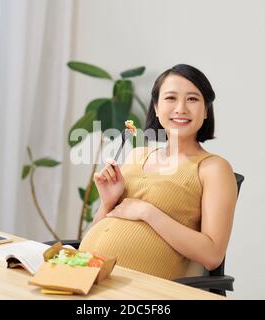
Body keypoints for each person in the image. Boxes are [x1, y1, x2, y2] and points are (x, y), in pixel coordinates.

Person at [79, 64, 238, 280]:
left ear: (206, 110)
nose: (181, 108)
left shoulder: (213, 168)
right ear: (155, 107)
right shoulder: (137, 155)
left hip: (135, 290)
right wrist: (108, 202)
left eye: (192, 99)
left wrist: (147, 212)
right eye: (171, 98)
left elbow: (212, 255)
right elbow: (100, 228)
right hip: (83, 271)